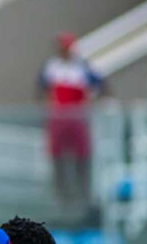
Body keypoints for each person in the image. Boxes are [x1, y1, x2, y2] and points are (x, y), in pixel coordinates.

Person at [37, 32, 105, 221]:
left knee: (81, 160)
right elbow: (42, 90)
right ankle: (61, 200)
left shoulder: (82, 68)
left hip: (77, 120)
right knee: (58, 160)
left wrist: (89, 104)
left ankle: (83, 199)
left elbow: (99, 86)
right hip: (58, 120)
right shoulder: (51, 67)